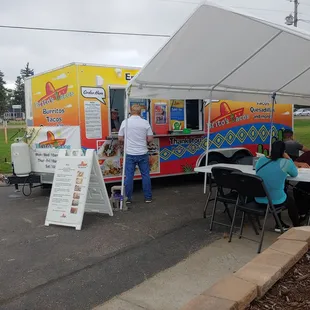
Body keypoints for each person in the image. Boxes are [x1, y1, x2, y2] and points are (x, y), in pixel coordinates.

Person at [255, 141, 299, 232]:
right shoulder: (285, 162)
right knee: (289, 200)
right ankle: (297, 226)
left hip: (259, 198)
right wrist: (289, 158)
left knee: (278, 191)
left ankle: (279, 224)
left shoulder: (261, 160)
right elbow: (294, 173)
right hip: (275, 200)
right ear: (284, 151)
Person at [118, 104, 153, 204]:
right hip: (142, 152)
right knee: (145, 175)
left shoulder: (125, 122)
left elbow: (120, 138)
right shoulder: (145, 122)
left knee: (129, 176)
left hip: (130, 153)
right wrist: (144, 142)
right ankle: (148, 197)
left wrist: (127, 141)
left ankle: (127, 198)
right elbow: (150, 138)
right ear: (140, 112)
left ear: (131, 111)